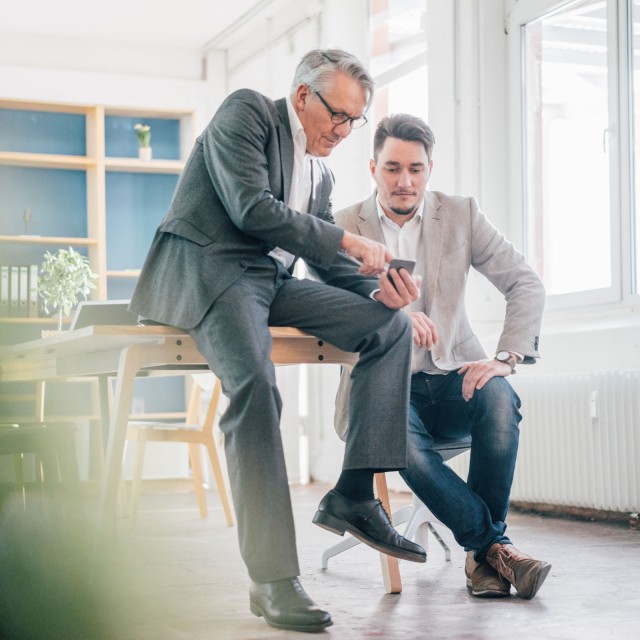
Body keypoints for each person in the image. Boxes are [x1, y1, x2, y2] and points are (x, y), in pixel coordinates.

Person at [129, 50, 427, 633]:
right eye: (337, 115)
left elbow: (322, 261)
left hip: (272, 281)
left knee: (388, 328)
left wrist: (379, 292)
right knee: (256, 390)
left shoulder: (321, 170)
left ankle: (353, 493)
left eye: (353, 121)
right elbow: (250, 209)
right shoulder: (246, 114)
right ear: (301, 98)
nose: (342, 132)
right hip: (214, 267)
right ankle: (272, 580)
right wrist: (347, 240)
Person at [334, 113, 551, 600]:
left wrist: (506, 356)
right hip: (382, 390)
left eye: (415, 168)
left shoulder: (461, 213)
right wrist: (389, 318)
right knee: (399, 442)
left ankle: (485, 554)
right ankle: (494, 552)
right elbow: (333, 311)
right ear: (373, 169)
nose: (404, 181)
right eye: (392, 168)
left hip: (455, 373)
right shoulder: (344, 226)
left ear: (430, 169)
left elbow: (524, 282)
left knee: (500, 398)